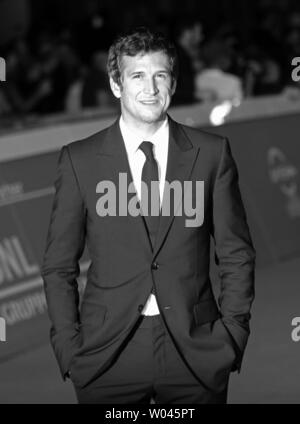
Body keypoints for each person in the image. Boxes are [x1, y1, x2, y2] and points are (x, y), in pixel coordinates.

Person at [41, 27, 255, 404]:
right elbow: (59, 266)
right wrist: (68, 348)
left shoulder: (211, 153)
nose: (150, 88)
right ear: (115, 84)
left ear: (173, 81)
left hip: (195, 349)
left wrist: (232, 336)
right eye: (137, 75)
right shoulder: (80, 160)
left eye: (160, 75)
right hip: (107, 353)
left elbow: (235, 253)